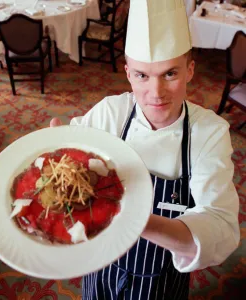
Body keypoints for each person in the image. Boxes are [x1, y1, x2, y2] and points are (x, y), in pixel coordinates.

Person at [50, 0, 240, 299]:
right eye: (141, 75)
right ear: (128, 73)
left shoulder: (209, 133)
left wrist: (136, 221)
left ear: (190, 70)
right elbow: (70, 149)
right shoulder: (110, 113)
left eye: (170, 74)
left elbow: (222, 230)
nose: (156, 93)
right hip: (101, 265)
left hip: (160, 282)